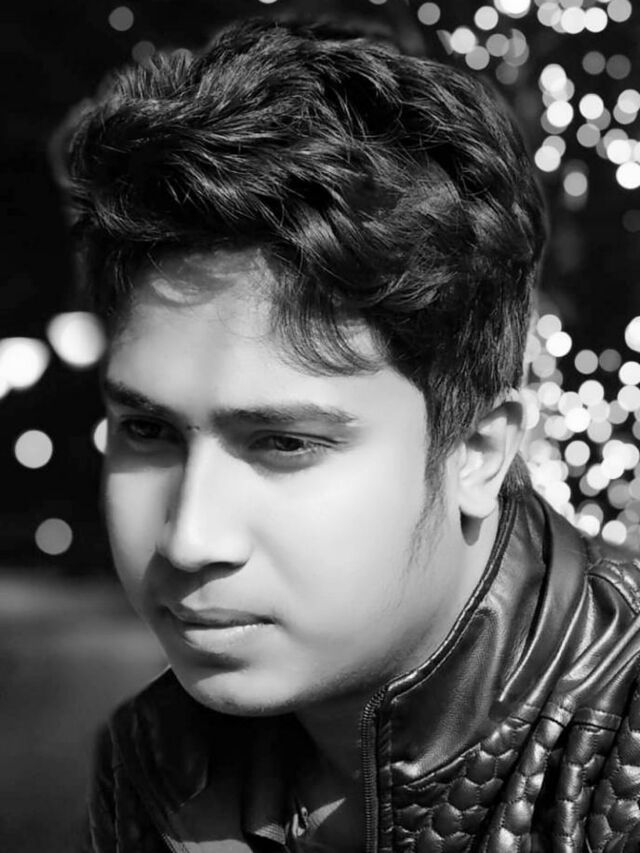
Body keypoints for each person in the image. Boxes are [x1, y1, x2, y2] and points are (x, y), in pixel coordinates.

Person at [58, 16, 640, 853]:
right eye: (148, 429)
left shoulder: (615, 766)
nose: (190, 539)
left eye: (284, 443)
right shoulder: (159, 759)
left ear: (479, 451)